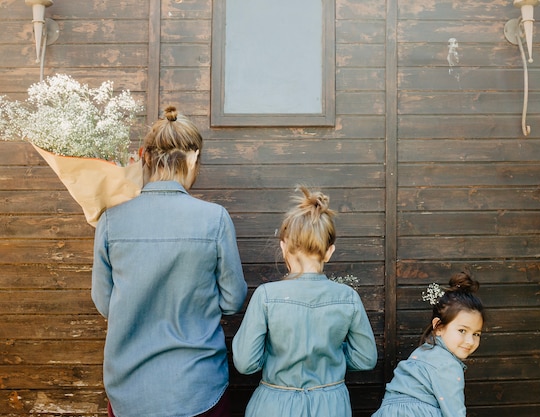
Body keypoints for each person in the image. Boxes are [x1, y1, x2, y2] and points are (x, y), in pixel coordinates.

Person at [91, 106, 248, 417]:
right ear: (193, 158)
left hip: (129, 393)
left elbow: (104, 303)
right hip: (198, 389)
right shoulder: (214, 219)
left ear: (145, 156)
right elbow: (232, 300)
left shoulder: (111, 221)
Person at [232, 185, 377, 417]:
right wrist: (331, 356)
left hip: (274, 405)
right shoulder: (348, 298)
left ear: (284, 247)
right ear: (329, 252)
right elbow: (366, 358)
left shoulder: (266, 295)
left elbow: (245, 362)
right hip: (331, 405)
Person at [372, 272, 484, 417]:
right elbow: (455, 412)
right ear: (438, 327)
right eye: (462, 330)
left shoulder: (422, 352)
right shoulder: (447, 365)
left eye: (476, 334)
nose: (470, 341)